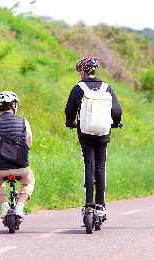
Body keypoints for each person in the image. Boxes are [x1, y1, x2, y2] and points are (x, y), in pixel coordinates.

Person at [65, 56, 122, 220]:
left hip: (85, 133)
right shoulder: (107, 87)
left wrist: (70, 122)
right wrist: (116, 123)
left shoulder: (79, 87)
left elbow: (70, 109)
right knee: (101, 168)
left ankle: (89, 204)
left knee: (89, 166)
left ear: (83, 71)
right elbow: (117, 111)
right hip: (103, 133)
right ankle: (100, 205)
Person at [0, 91, 35, 220]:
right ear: (13, 105)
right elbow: (29, 143)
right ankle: (19, 207)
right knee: (29, 181)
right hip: (20, 166)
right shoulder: (24, 121)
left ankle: (5, 207)